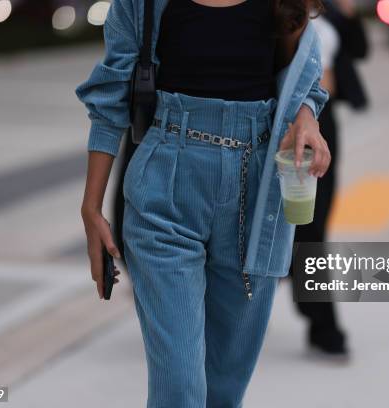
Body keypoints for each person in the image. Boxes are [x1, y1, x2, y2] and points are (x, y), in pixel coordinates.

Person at [75, 0, 331, 406]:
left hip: (257, 196)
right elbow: (110, 99)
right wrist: (91, 208)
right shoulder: (141, 3)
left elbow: (303, 79)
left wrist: (306, 117)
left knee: (224, 392)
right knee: (180, 388)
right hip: (164, 190)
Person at [291, 0, 369, 356]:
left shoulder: (331, 12)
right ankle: (321, 320)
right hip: (283, 128)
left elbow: (360, 50)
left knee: (314, 225)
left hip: (325, 128)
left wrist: (350, 12)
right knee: (296, 226)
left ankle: (318, 317)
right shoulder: (272, 11)